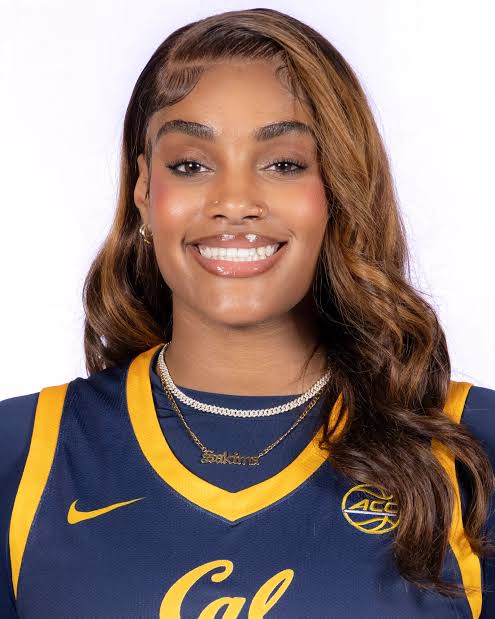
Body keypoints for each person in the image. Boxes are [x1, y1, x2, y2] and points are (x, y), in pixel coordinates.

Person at [1, 7, 494, 618]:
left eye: (283, 164)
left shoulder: (471, 448)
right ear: (144, 191)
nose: (234, 202)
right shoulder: (25, 452)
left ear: (339, 190)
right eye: (191, 165)